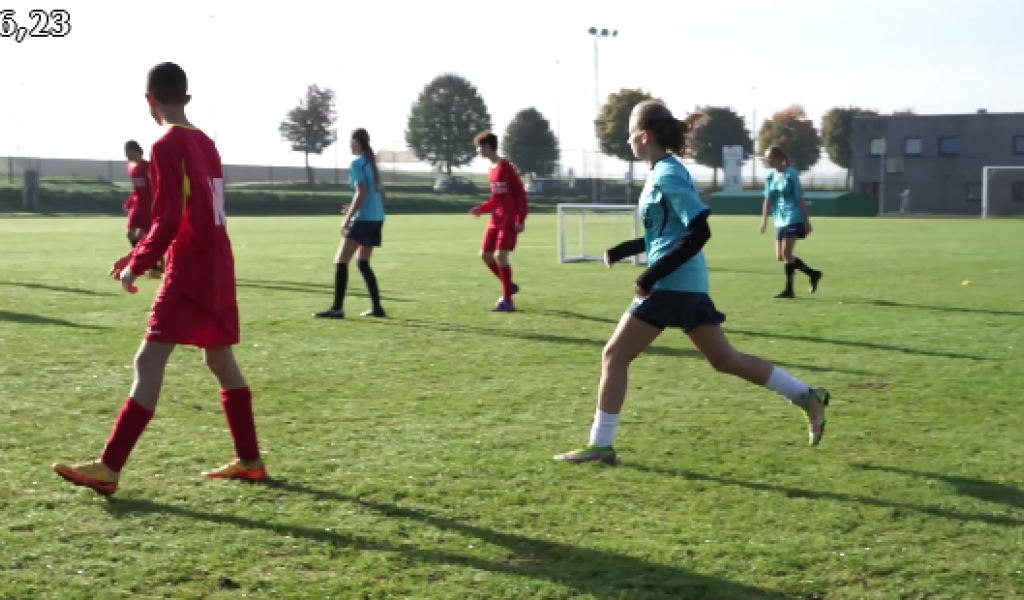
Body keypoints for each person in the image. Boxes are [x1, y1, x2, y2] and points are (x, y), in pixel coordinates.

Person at [554, 101, 830, 465]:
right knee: (725, 359)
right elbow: (668, 234)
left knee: (615, 355)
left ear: (645, 135)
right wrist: (625, 249)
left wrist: (651, 274)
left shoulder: (667, 173)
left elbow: (699, 231)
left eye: (630, 129)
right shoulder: (660, 172)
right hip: (685, 284)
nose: (627, 138)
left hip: (672, 285)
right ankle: (806, 395)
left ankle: (601, 445)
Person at [53, 62, 265, 496]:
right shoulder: (206, 142)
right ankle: (249, 460)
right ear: (187, 99)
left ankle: (109, 467)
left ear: (149, 101)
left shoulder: (166, 145)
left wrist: (138, 262)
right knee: (219, 360)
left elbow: (168, 218)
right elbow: (209, 209)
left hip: (189, 270)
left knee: (148, 362)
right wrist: (138, 251)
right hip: (218, 264)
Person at [315, 128, 386, 319]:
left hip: (363, 220)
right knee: (363, 263)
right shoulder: (372, 165)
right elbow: (381, 195)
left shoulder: (357, 164)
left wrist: (347, 219)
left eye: (350, 141)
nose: (349, 145)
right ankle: (377, 308)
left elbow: (361, 194)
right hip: (377, 219)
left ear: (357, 142)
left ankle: (337, 309)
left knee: (340, 261)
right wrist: (358, 206)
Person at [469, 132, 527, 312]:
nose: (478, 150)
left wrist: (520, 219)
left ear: (487, 146)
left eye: (479, 147)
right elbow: (496, 199)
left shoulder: (506, 166)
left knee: (501, 256)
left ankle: (508, 301)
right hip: (496, 219)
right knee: (485, 255)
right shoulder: (491, 169)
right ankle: (508, 285)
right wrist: (482, 208)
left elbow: (521, 194)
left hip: (508, 219)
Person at [759, 147, 822, 298]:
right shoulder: (770, 176)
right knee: (780, 256)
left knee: (787, 254)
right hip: (779, 219)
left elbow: (800, 199)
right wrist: (764, 222)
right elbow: (767, 200)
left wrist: (807, 222)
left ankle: (789, 290)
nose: (767, 161)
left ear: (779, 158)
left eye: (770, 158)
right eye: (767, 158)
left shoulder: (791, 174)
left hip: (793, 217)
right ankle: (813, 274)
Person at [122, 140, 163, 278]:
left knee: (147, 236)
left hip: (149, 205)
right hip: (137, 204)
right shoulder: (130, 166)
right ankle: (143, 260)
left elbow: (158, 185)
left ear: (138, 152)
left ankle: (155, 265)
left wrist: (157, 201)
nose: (127, 156)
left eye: (130, 152)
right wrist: (129, 202)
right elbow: (136, 187)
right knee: (130, 233)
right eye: (126, 153)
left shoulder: (149, 167)